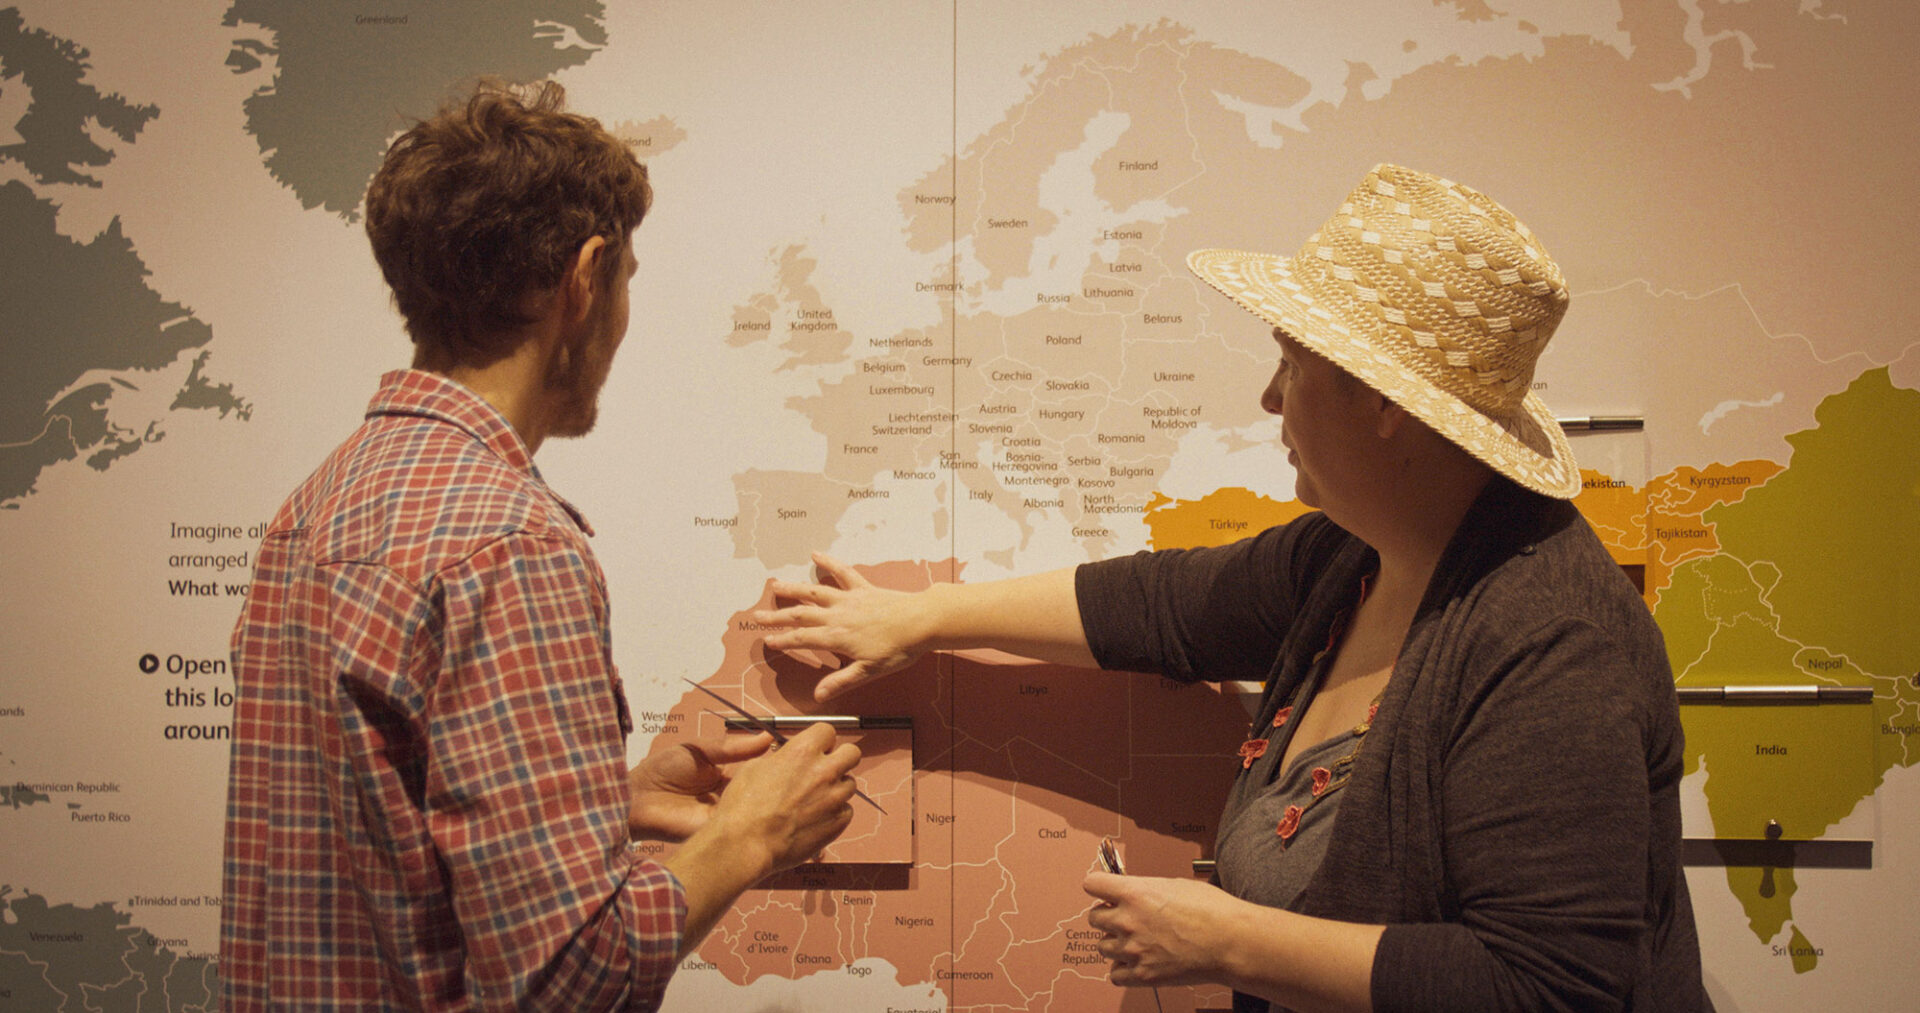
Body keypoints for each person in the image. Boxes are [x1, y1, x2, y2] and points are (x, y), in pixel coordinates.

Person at [755, 164, 1710, 1011]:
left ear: (1385, 406)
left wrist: (1224, 943)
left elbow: (1544, 984)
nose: (1267, 398)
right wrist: (921, 618)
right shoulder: (1353, 558)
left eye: (1291, 365)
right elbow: (1162, 606)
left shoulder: (1550, 643)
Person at [220, 79, 861, 1011]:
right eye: (627, 281)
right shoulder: (510, 544)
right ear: (586, 276)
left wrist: (613, 796)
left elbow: (386, 843)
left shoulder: (319, 502)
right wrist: (750, 834)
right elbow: (568, 977)